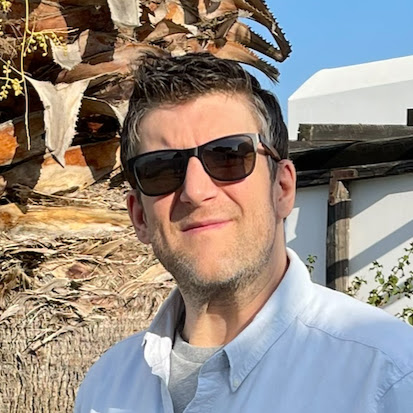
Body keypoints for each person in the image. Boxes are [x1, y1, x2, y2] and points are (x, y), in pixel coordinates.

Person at [75, 53, 413, 413]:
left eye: (229, 156)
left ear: (282, 188)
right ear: (140, 216)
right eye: (161, 169)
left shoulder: (388, 377)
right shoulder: (106, 385)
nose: (195, 191)